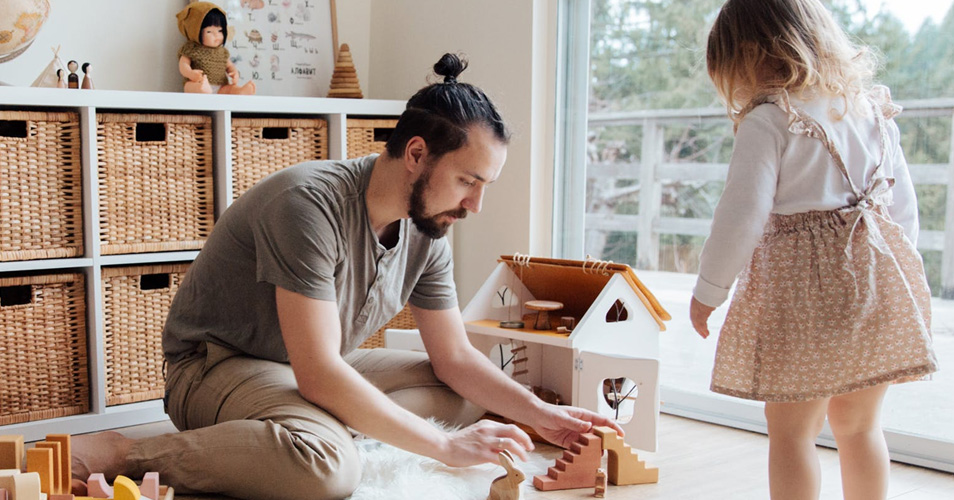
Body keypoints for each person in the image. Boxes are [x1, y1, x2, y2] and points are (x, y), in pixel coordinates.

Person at [71, 53, 622, 500]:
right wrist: (444, 448)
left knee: (460, 397)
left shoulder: (426, 229)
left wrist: (544, 416)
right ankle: (128, 453)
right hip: (217, 365)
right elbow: (318, 374)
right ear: (416, 154)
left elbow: (454, 358)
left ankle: (313, 429)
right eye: (467, 181)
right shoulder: (307, 206)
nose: (475, 205)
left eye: (485, 187)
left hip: (306, 366)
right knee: (330, 468)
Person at [688, 1, 938, 499]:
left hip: (804, 301)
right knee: (860, 425)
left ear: (750, 56)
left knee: (792, 431)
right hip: (875, 287)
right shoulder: (870, 111)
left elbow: (740, 216)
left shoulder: (770, 120)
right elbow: (902, 213)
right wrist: (902, 279)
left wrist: (708, 291)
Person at [176, 1, 256, 95]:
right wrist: (190, 73)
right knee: (189, 86)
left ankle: (240, 92)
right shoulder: (191, 49)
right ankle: (203, 89)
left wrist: (234, 73)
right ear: (194, 32)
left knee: (230, 89)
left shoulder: (222, 52)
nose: (216, 35)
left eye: (220, 31)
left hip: (221, 87)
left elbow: (229, 66)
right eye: (209, 32)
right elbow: (183, 65)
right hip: (199, 82)